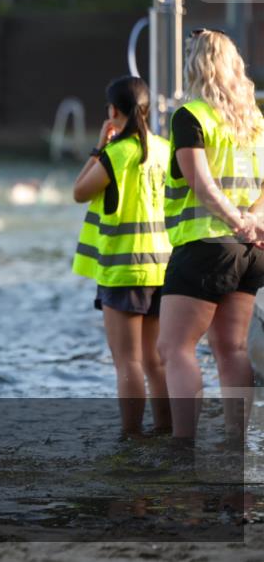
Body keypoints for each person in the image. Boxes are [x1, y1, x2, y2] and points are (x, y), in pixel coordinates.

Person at [156, 29, 264, 441]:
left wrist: (237, 221)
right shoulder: (253, 117)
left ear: (196, 64)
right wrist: (252, 222)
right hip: (251, 249)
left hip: (206, 245)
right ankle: (237, 443)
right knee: (231, 349)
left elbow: (200, 184)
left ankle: (184, 449)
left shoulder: (192, 115)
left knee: (175, 348)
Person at [72, 76, 172, 436]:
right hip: (163, 268)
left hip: (124, 270)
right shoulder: (164, 149)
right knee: (156, 361)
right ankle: (166, 431)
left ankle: (130, 438)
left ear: (113, 112)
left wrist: (98, 148)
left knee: (127, 362)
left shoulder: (115, 155)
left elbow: (79, 192)